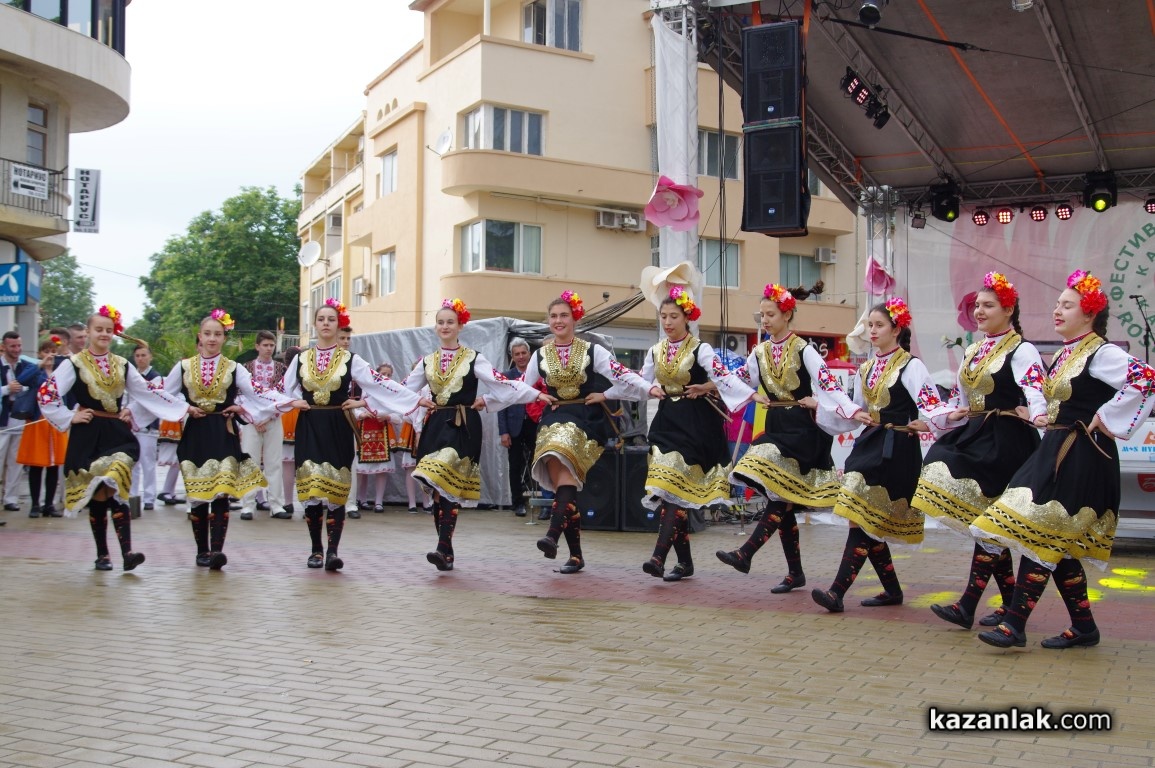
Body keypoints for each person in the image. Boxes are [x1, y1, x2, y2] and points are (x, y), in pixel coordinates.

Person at [971, 271, 1155, 648]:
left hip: (1081, 454)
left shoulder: (1102, 352)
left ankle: (1014, 624)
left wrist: (1107, 417)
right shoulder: (1066, 353)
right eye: (1057, 304)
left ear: (1089, 313)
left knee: (1042, 528)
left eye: (1067, 305)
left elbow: (1147, 377)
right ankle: (1084, 626)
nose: (1057, 310)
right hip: (1057, 448)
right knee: (1056, 541)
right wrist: (1039, 415)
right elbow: (1057, 401)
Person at [913, 272, 1047, 630]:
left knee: (988, 523)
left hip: (1006, 440)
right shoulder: (973, 350)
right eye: (977, 305)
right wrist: (947, 415)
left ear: (1009, 309)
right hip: (977, 434)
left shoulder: (1022, 349)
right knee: (985, 523)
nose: (979, 311)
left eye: (988, 305)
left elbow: (1035, 388)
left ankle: (970, 605)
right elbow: (962, 398)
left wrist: (1040, 414)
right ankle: (997, 604)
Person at [716, 284, 862, 592]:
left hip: (803, 430)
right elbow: (738, 381)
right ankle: (793, 572)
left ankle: (747, 553)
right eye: (762, 315)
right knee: (778, 498)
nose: (765, 320)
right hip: (777, 423)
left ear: (787, 315)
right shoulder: (759, 352)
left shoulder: (804, 349)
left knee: (774, 487)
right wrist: (721, 387)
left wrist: (850, 410)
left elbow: (828, 384)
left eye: (771, 314)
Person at [402, 299, 553, 571]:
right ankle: (446, 549)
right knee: (438, 490)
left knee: (445, 476)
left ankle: (441, 548)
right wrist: (377, 401)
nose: (445, 326)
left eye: (450, 322)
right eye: (440, 322)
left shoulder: (473, 357)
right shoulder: (426, 361)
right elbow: (402, 389)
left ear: (461, 326)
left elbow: (501, 383)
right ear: (435, 327)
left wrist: (534, 393)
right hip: (435, 424)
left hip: (463, 425)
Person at [811, 298, 939, 613]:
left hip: (897, 448)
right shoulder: (866, 367)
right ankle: (891, 591)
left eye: (879, 325)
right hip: (870, 442)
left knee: (862, 519)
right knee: (863, 518)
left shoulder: (911, 365)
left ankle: (837, 592)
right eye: (870, 324)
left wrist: (930, 421)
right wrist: (828, 407)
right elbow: (857, 409)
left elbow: (931, 403)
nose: (872, 330)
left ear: (897, 329)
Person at [37, 305, 189, 570]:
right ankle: (103, 555)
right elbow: (46, 394)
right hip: (88, 433)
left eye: (108, 330)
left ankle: (127, 552)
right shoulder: (74, 364)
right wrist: (69, 416)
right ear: (88, 332)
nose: (104, 334)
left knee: (116, 477)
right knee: (100, 491)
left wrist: (178, 408)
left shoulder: (122, 364)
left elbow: (147, 392)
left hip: (116, 433)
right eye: (99, 329)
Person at [280, 299, 420, 570]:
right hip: (309, 424)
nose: (325, 323)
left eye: (331, 319)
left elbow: (377, 383)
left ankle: (332, 551)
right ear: (314, 324)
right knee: (311, 487)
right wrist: (296, 401)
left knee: (336, 488)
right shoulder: (300, 359)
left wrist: (367, 402)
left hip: (338, 424)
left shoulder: (350, 359)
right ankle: (316, 549)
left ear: (338, 325)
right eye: (321, 319)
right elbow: (284, 390)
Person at [519, 291, 650, 574]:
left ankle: (552, 534)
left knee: (565, 477)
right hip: (553, 419)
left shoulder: (593, 351)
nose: (558, 321)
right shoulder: (539, 355)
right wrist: (531, 396)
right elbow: (520, 386)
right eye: (553, 316)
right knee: (564, 485)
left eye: (564, 315)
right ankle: (575, 556)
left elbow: (621, 375)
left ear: (575, 319)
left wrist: (622, 392)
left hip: (584, 420)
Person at [640, 286, 763, 581]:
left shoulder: (701, 349)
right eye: (663, 316)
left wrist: (743, 393)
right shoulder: (655, 351)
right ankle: (683, 563)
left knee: (673, 492)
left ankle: (659, 557)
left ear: (687, 318)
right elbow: (640, 382)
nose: (668, 322)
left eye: (674, 316)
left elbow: (723, 377)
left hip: (695, 425)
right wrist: (638, 389)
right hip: (666, 422)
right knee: (668, 490)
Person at [162, 309, 291, 569]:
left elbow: (257, 392)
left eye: (217, 334)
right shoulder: (184, 367)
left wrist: (286, 402)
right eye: (207, 334)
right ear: (200, 336)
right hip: (196, 432)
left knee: (221, 492)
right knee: (199, 493)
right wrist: (186, 408)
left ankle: (217, 551)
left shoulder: (234, 368)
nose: (212, 338)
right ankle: (202, 551)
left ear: (224, 337)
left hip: (223, 431)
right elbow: (164, 394)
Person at [17, 335, 69, 518]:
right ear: (40, 353)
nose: (50, 355)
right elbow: (22, 379)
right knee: (36, 464)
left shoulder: (61, 371)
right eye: (46, 351)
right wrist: (40, 365)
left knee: (54, 465)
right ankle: (34, 505)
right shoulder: (34, 370)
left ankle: (49, 504)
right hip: (38, 421)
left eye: (53, 351)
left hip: (55, 422)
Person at [240, 330, 287, 521]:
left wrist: (269, 415)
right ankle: (247, 505)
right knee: (250, 462)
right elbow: (241, 395)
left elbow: (285, 395)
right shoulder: (246, 368)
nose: (269, 349)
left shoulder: (282, 369)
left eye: (271, 345)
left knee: (274, 462)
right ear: (257, 346)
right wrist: (254, 418)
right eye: (265, 345)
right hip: (251, 421)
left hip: (273, 419)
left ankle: (276, 504)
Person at [498, 337, 536, 517]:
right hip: (514, 426)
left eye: (523, 353)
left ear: (529, 354)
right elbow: (501, 405)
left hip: (535, 424)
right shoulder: (506, 377)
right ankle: (518, 503)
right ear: (512, 357)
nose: (521, 357)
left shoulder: (538, 373)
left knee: (542, 462)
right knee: (515, 465)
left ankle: (545, 504)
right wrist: (503, 431)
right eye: (517, 354)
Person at [1, 331, 37, 513]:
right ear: (3, 347)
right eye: (12, 346)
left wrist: (22, 388)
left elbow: (35, 384)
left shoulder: (26, 366)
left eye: (19, 345)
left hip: (20, 418)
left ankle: (11, 498)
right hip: (2, 419)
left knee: (16, 461)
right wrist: (7, 389)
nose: (16, 349)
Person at [353, 362, 397, 513]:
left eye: (389, 375)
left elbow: (400, 416)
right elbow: (354, 409)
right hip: (364, 431)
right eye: (383, 374)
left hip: (383, 432)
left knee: (381, 470)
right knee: (361, 470)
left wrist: (388, 416)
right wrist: (362, 414)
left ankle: (379, 502)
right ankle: (360, 499)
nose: (386, 377)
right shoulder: (365, 389)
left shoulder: (392, 391)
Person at [128, 344, 162, 511]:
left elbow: (149, 399)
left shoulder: (155, 377)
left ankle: (149, 497)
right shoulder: (131, 375)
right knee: (132, 462)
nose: (140, 359)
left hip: (148, 427)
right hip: (130, 425)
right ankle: (132, 494)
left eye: (143, 355)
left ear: (150, 356)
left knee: (147, 463)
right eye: (137, 356)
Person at [275, 345, 302, 519]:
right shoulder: (305, 374)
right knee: (303, 462)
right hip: (302, 415)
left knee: (287, 464)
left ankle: (288, 501)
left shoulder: (283, 377)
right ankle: (307, 501)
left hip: (287, 417)